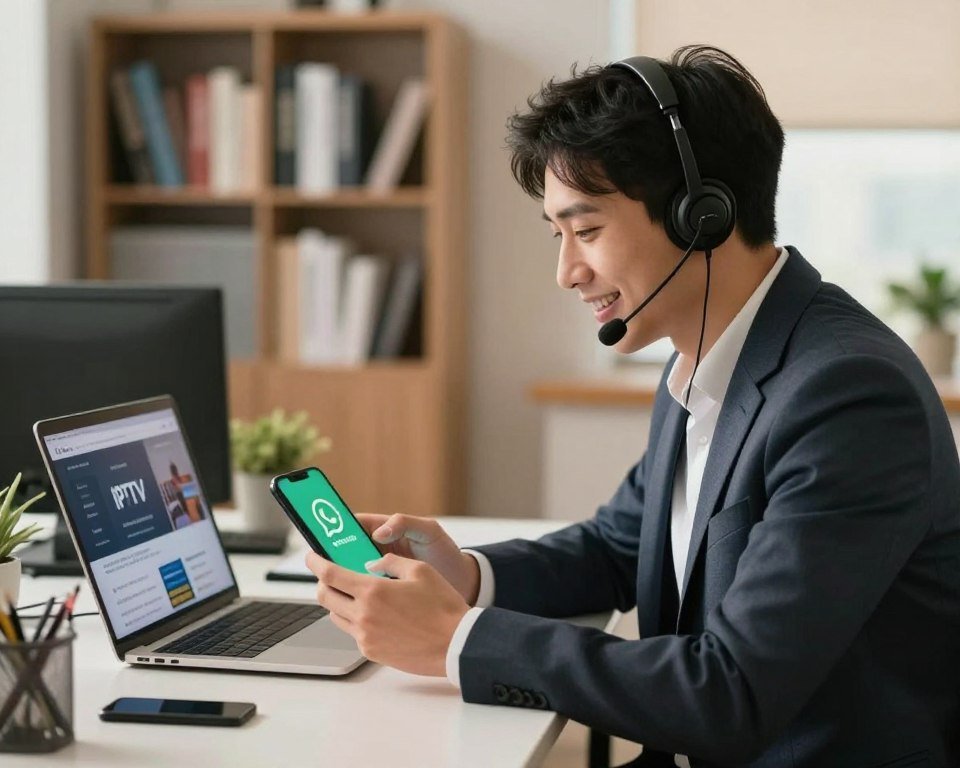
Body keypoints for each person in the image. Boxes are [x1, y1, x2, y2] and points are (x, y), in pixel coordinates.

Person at [305, 46, 960, 766]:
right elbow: (619, 545)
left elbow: (732, 692)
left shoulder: (849, 395)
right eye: (558, 235)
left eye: (586, 231)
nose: (566, 272)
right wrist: (465, 575)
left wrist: (455, 640)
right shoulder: (703, 354)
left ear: (701, 215)